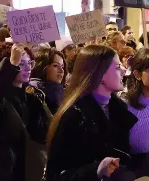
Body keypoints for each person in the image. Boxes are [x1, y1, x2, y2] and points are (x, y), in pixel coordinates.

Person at [45, 45, 138, 181]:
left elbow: (122, 158)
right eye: (118, 67)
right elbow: (56, 175)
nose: (124, 71)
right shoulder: (74, 116)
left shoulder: (118, 110)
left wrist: (144, 159)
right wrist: (96, 170)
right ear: (100, 74)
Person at [0, 43, 51, 181]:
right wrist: (11, 64)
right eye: (21, 63)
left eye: (30, 62)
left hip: (28, 171)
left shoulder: (34, 100)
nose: (28, 67)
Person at [29, 48, 67, 114]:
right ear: (43, 67)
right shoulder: (33, 93)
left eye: (62, 67)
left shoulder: (62, 92)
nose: (61, 71)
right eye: (55, 66)